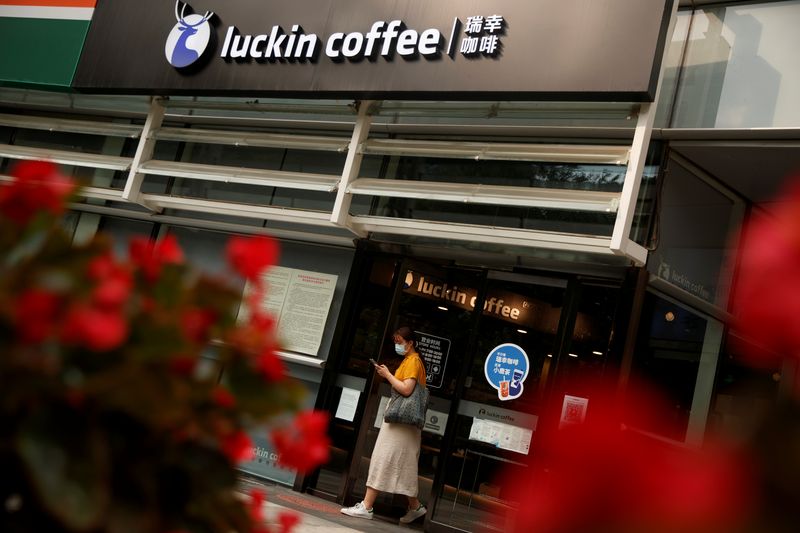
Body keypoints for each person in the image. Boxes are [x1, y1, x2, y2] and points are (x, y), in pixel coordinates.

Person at [341, 326, 428, 524]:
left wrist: (387, 375)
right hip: (404, 425)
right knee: (404, 464)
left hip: (401, 424)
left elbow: (407, 390)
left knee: (383, 457)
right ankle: (415, 507)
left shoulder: (413, 361)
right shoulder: (410, 360)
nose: (397, 345)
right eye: (395, 342)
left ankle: (367, 506)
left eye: (399, 342)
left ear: (410, 343)